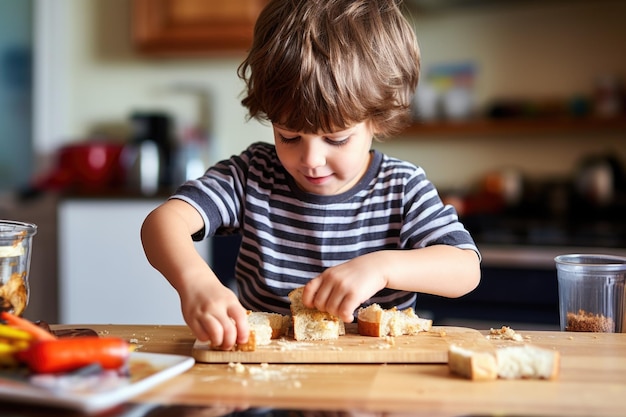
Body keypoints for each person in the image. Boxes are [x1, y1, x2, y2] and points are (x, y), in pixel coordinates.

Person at [141, 0, 481, 350]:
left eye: (335, 139)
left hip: (378, 387)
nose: (311, 159)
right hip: (264, 384)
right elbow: (163, 223)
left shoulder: (402, 187)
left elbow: (465, 269)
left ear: (377, 118)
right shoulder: (252, 176)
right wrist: (195, 282)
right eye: (289, 136)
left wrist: (382, 268)